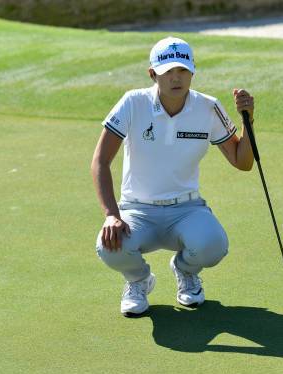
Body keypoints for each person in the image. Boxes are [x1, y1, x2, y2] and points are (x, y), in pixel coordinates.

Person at [91, 37, 255, 316]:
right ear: (152, 74)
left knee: (213, 245)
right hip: (137, 211)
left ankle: (185, 270)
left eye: (182, 71)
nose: (176, 79)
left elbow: (242, 162)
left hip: (187, 209)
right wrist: (111, 214)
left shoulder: (209, 107)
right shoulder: (133, 102)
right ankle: (138, 279)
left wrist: (248, 121)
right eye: (167, 72)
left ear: (192, 72)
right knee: (109, 246)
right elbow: (100, 161)